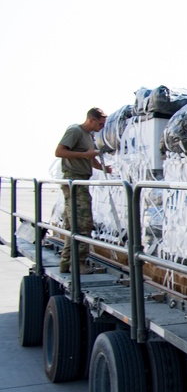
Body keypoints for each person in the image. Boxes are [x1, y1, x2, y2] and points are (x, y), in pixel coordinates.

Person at [54, 107, 110, 273]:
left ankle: (66, 262)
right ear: (91, 120)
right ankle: (78, 264)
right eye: (100, 123)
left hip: (81, 179)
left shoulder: (88, 136)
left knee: (73, 223)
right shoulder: (75, 131)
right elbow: (59, 152)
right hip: (74, 180)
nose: (102, 127)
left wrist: (103, 168)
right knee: (83, 223)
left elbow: (90, 158)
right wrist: (85, 155)